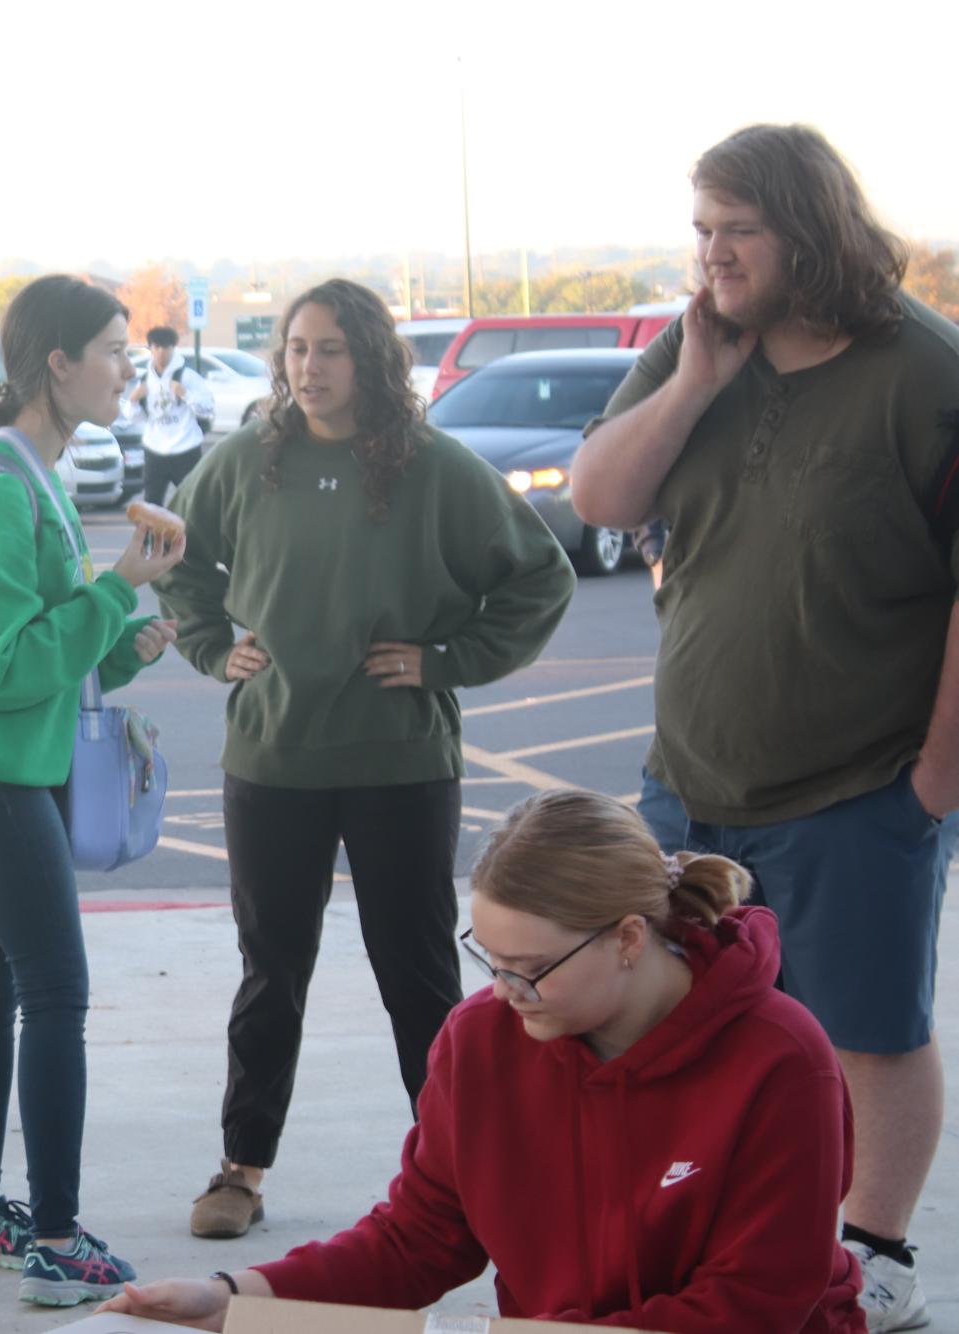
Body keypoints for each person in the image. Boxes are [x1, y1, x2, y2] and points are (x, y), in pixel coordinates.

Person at [570, 122, 959, 1332]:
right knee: (684, 1027)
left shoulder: (924, 370)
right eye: (701, 229)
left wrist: (934, 780)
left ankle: (874, 1247)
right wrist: (693, 380)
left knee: (869, 1031)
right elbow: (599, 495)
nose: (714, 254)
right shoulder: (698, 350)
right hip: (690, 778)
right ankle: (720, 1236)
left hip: (858, 782)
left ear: (812, 226)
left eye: (739, 228)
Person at [98, 790, 865, 1333]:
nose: (505, 991)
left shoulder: (782, 1060)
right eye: (488, 959)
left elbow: (754, 1306)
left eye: (528, 966)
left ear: (627, 939)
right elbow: (419, 1237)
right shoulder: (480, 1038)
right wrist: (236, 1295)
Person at [155, 278, 575, 1241]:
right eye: (298, 348)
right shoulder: (245, 463)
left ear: (371, 361)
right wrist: (216, 647)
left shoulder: (432, 467)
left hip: (400, 763)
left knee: (418, 973)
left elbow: (539, 576)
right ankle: (240, 1167)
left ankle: (465, 1170)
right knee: (272, 972)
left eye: (331, 349)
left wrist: (447, 661)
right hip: (272, 761)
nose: (310, 367)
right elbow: (175, 554)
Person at [0, 274, 184, 1307]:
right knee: (53, 990)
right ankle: (55, 1237)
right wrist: (118, 588)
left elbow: (40, 654)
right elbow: (7, 665)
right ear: (57, 364)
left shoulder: (30, 472)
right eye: (112, 349)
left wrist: (120, 640)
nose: (129, 367)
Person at [125, 325, 214, 507]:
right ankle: (151, 537)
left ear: (174, 348)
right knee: (151, 504)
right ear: (150, 349)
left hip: (185, 448)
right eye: (156, 347)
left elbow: (207, 408)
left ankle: (192, 536)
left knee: (193, 502)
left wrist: (185, 394)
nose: (161, 352)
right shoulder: (145, 381)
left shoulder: (187, 376)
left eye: (166, 347)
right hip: (155, 450)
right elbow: (137, 418)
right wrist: (133, 400)